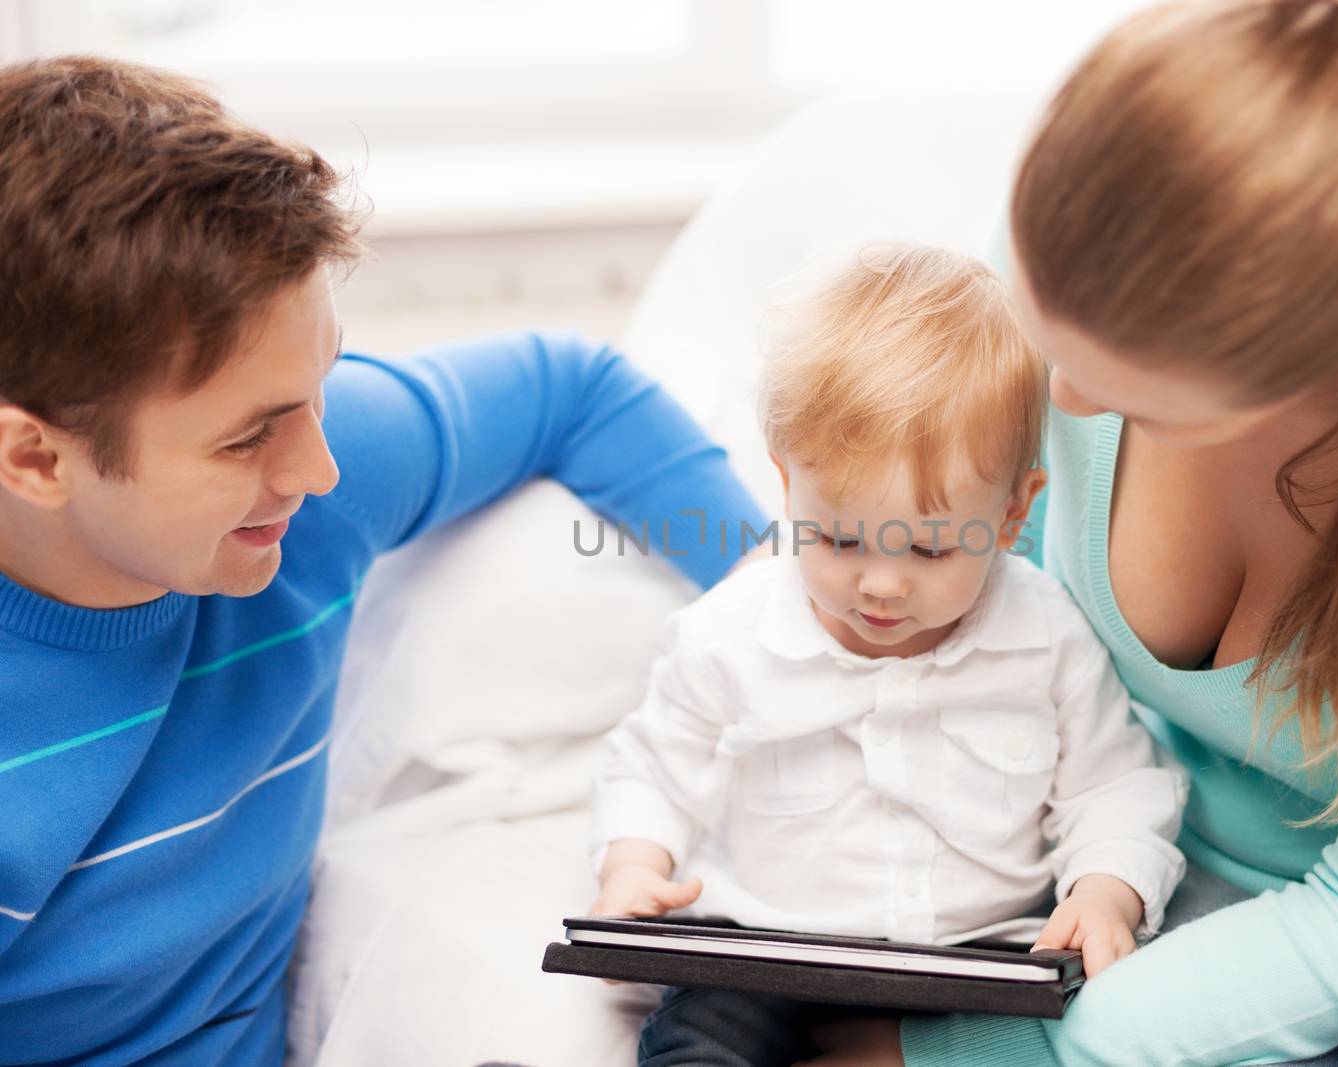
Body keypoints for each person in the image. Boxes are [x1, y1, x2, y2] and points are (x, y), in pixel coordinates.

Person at [799, 2, 1338, 1066]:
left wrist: (963, 1051)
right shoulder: (1089, 247)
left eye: (1147, 404)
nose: (1066, 404)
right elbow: (985, 605)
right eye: (1046, 339)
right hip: (1184, 879)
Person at [0, 56, 766, 1065]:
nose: (317, 468)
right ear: (35, 457)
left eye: (319, 387)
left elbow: (572, 389)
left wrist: (785, 615)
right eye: (249, 437)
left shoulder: (313, 478)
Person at [588, 247, 1187, 1067]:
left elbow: (1115, 784)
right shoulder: (729, 632)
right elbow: (651, 767)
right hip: (766, 951)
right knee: (701, 1042)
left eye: (931, 551)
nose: (879, 584)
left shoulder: (1047, 635)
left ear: (1013, 515)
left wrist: (1105, 889)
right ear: (786, 485)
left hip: (984, 959)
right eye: (836, 537)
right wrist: (633, 866)